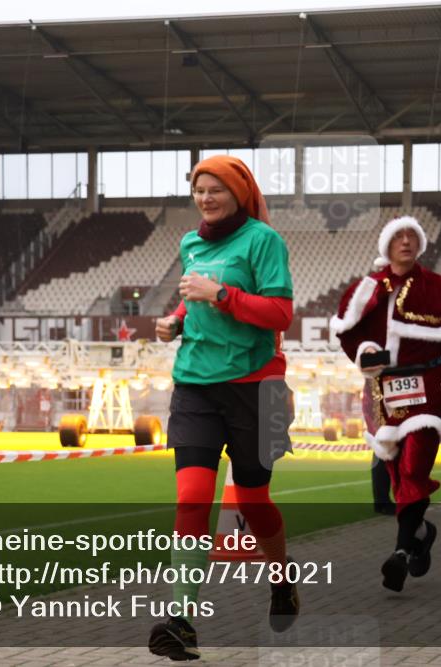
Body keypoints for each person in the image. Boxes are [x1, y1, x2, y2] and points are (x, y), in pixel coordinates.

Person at [150, 155, 298, 661]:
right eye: (198, 190)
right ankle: (181, 621)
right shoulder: (191, 243)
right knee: (192, 498)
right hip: (195, 384)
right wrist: (175, 320)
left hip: (256, 386)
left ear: (238, 191)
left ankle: (282, 578)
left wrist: (223, 294)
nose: (205, 198)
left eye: (215, 189)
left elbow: (281, 314)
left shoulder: (263, 240)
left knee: (254, 502)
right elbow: (194, 302)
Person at [332, 216, 441, 592]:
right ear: (387, 245)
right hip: (381, 390)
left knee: (415, 465)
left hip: (427, 383)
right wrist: (364, 353)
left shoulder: (438, 287)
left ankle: (398, 552)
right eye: (399, 237)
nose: (407, 242)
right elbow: (349, 334)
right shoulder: (366, 289)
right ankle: (422, 533)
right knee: (395, 471)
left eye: (413, 236)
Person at [364, 377, 397, 514]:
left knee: (382, 462)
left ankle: (382, 502)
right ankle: (383, 503)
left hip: (383, 422)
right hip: (385, 422)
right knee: (383, 463)